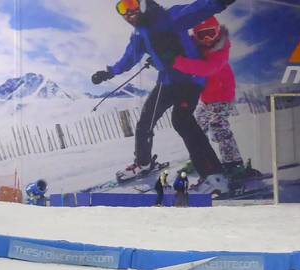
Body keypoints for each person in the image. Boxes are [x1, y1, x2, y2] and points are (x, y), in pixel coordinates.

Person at [91, 0, 237, 195]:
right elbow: (130, 57)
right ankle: (143, 163)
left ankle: (214, 177)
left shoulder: (168, 18)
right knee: (145, 121)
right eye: (122, 7)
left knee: (182, 121)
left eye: (131, 4)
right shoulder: (139, 33)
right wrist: (109, 72)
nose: (128, 12)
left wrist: (218, 2)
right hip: (167, 82)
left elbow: (197, 10)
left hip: (189, 80)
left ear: (143, 4)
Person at [173, 17, 243, 179]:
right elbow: (181, 44)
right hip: (206, 99)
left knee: (218, 128)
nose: (207, 39)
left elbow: (206, 69)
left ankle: (233, 163)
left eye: (210, 33)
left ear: (218, 31)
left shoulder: (221, 50)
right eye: (202, 35)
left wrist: (175, 62)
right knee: (196, 128)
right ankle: (200, 159)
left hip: (222, 97)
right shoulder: (195, 47)